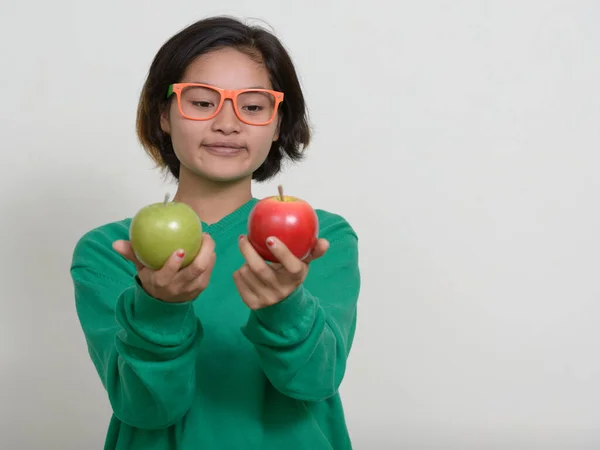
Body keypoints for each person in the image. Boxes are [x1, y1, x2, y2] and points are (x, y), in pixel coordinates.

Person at [70, 15, 361, 450]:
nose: (228, 123)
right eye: (203, 102)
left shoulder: (320, 241)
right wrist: (158, 309)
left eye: (254, 105)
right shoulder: (114, 252)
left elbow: (313, 382)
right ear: (163, 114)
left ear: (278, 123)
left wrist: (286, 304)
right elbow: (147, 407)